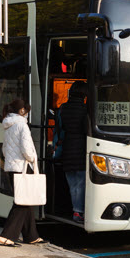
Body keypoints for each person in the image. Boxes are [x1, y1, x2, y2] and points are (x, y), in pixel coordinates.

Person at [0, 98, 46, 247]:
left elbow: (5, 149)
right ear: (22, 111)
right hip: (22, 166)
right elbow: (26, 149)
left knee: (26, 198)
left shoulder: (9, 125)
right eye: (27, 111)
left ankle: (31, 235)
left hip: (12, 166)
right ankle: (7, 236)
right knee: (21, 202)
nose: (28, 115)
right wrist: (32, 158)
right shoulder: (22, 126)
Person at [55, 81, 88, 223]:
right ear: (84, 94)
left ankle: (76, 209)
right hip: (81, 149)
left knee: (73, 184)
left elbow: (59, 128)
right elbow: (86, 129)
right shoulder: (86, 109)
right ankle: (78, 211)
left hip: (67, 148)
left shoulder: (63, 108)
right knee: (81, 183)